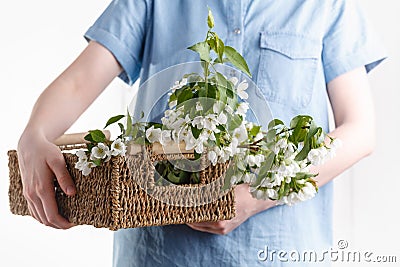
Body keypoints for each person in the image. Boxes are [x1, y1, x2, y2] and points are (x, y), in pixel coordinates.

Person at [17, 0, 386, 266]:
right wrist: (35, 134)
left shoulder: (329, 6)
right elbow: (80, 81)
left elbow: (359, 130)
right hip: (159, 254)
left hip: (282, 251)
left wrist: (259, 195)